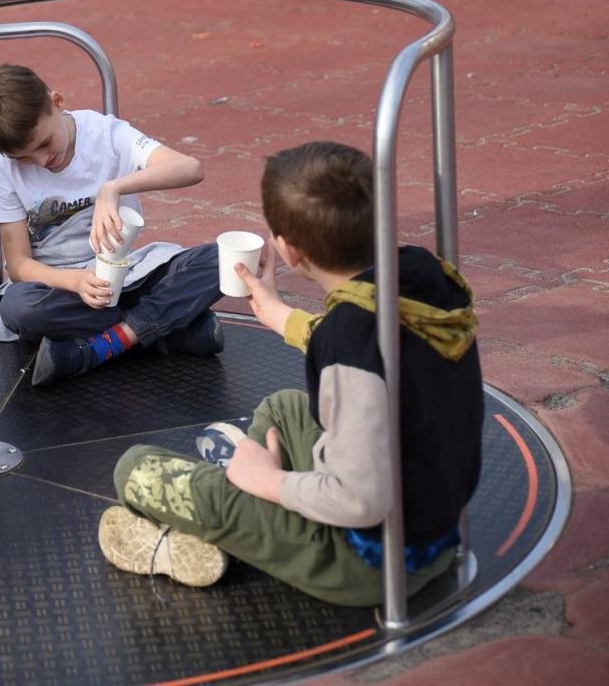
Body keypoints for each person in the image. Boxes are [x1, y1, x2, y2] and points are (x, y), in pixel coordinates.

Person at [97, 142, 483, 605]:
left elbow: (360, 500)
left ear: (288, 250)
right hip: (433, 529)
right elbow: (376, 342)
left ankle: (227, 527)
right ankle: (249, 516)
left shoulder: (348, 345)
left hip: (369, 563)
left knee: (135, 469)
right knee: (282, 409)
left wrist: (268, 482)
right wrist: (280, 316)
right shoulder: (421, 273)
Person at [0, 64, 225, 386]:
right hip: (61, 288)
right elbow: (18, 264)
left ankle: (103, 346)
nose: (40, 161)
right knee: (19, 308)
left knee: (223, 260)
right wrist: (73, 281)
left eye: (44, 143)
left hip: (128, 273)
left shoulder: (105, 133)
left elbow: (190, 167)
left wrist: (112, 189)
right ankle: (167, 332)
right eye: (24, 158)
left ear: (57, 102)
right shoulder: (3, 167)